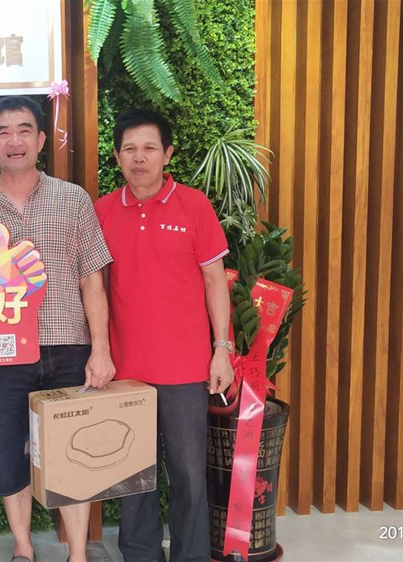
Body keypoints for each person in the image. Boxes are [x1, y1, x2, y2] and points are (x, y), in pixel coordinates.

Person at [0, 95, 115, 562]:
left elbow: (92, 278)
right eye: (3, 133)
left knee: (75, 453)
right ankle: (23, 548)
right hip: (3, 352)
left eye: (24, 130)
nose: (15, 140)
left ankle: (78, 554)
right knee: (9, 453)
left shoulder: (74, 199)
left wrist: (100, 349)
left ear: (41, 139)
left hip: (69, 346)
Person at [93, 109, 234, 562]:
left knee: (189, 475)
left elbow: (215, 281)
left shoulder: (194, 205)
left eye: (149, 148)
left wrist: (222, 349)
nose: (140, 158)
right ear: (118, 156)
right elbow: (93, 286)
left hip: (185, 368)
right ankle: (140, 554)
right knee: (133, 476)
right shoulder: (102, 211)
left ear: (167, 153)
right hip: (126, 370)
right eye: (130, 149)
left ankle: (192, 555)